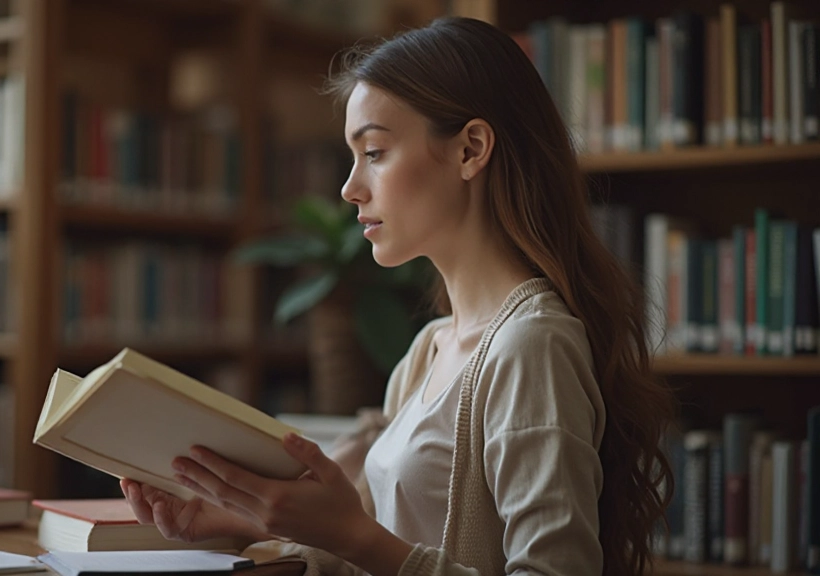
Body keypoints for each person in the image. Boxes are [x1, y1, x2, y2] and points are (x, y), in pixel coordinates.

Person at [121, 16, 675, 576]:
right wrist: (241, 519)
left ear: (470, 150)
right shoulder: (428, 352)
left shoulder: (532, 346)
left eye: (376, 152)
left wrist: (356, 538)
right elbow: (377, 543)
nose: (349, 187)